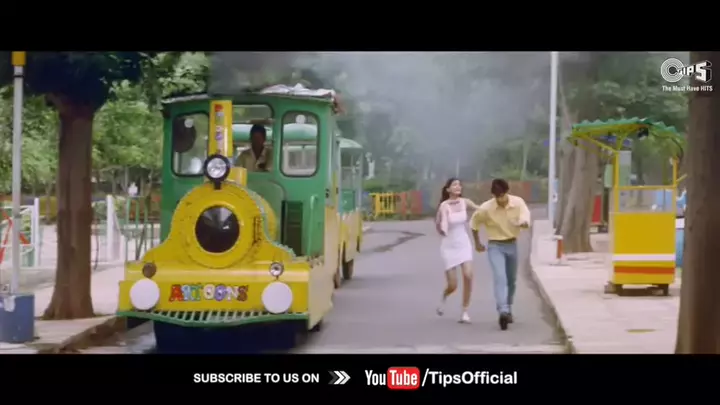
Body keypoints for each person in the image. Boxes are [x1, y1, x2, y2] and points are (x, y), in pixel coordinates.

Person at [470, 178, 531, 331]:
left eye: (502, 195)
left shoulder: (518, 203)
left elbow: (525, 217)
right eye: (497, 196)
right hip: (495, 245)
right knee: (500, 277)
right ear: (493, 195)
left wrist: (522, 223)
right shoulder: (486, 208)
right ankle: (502, 311)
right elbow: (474, 224)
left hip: (512, 244)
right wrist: (477, 243)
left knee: (511, 280)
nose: (500, 199)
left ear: (507, 192)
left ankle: (508, 307)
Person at [435, 178, 481, 323]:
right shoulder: (444, 206)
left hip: (463, 243)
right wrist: (443, 228)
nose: (458, 187)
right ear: (448, 189)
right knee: (453, 285)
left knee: (468, 275)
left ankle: (465, 311)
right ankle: (445, 296)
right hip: (449, 246)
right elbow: (440, 224)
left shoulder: (465, 202)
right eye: (454, 185)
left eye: (459, 184)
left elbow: (480, 209)